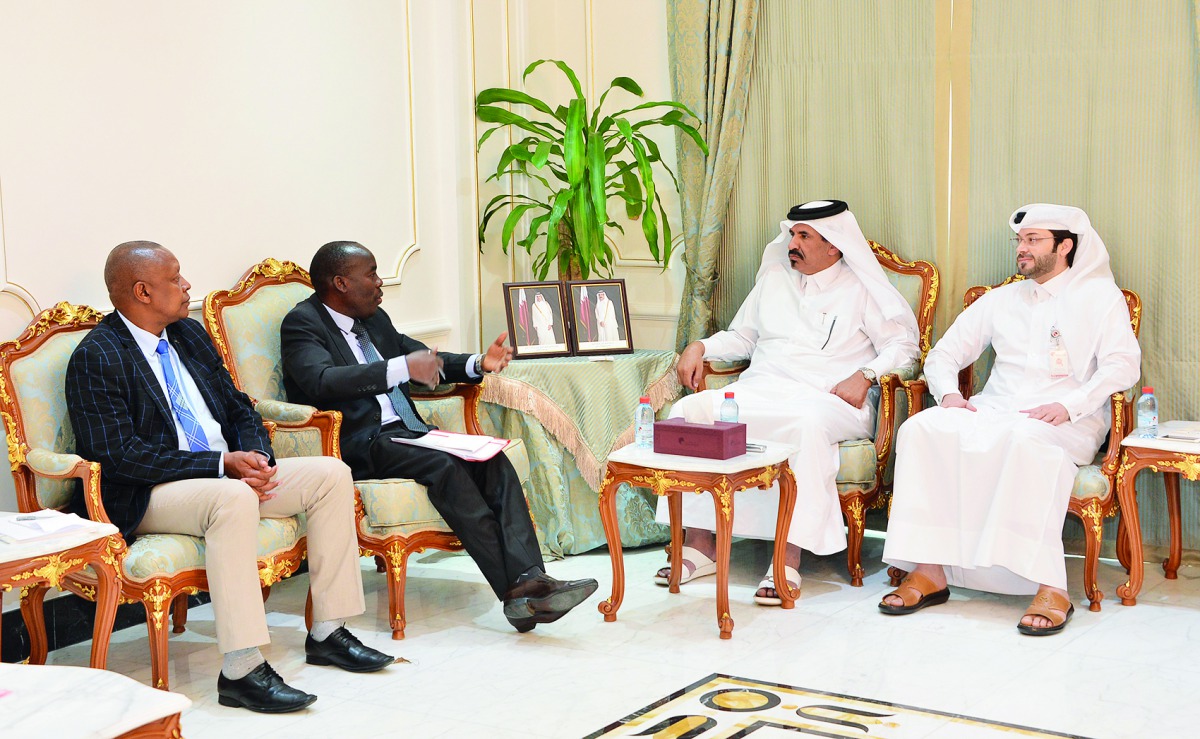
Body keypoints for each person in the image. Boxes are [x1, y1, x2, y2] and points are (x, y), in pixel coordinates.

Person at [66, 242, 392, 715]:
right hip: (151, 491)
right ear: (141, 291)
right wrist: (223, 466)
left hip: (224, 474)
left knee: (331, 474)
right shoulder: (97, 356)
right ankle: (242, 669)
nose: (187, 286)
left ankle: (328, 631)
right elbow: (120, 457)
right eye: (175, 279)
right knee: (231, 499)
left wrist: (255, 455)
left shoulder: (188, 335)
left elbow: (240, 407)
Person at [279, 241, 598, 632]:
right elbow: (321, 380)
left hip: (407, 432)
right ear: (341, 282)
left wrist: (478, 363)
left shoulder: (374, 319)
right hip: (361, 442)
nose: (381, 283)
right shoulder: (303, 324)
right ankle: (521, 594)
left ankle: (531, 581)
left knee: (491, 458)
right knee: (444, 466)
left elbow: (424, 359)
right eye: (372, 274)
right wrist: (398, 368)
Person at [880, 203, 1140, 636]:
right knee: (921, 428)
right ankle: (929, 572)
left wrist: (1072, 404)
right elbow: (944, 353)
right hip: (997, 408)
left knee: (1025, 442)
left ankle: (1051, 587)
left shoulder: (1100, 298)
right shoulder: (1001, 299)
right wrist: (947, 395)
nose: (1021, 249)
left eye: (1033, 240)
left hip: (1066, 418)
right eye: (1019, 240)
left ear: (1066, 246)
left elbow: (1122, 367)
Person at [657, 200, 921, 604]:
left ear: (834, 245)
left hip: (829, 400)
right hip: (762, 389)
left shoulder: (860, 288)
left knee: (804, 425)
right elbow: (742, 338)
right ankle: (699, 545)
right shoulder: (775, 279)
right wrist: (700, 344)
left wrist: (864, 375)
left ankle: (786, 556)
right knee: (688, 412)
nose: (792, 243)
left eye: (804, 236)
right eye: (792, 234)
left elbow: (904, 347)